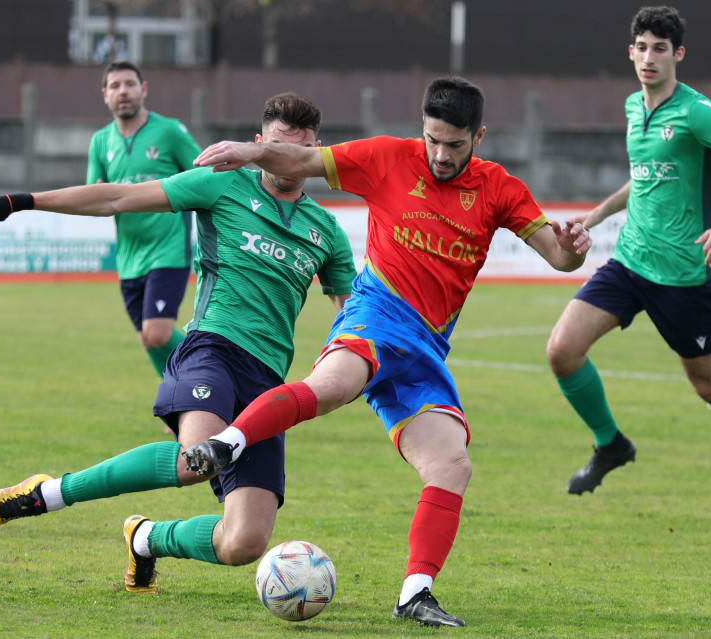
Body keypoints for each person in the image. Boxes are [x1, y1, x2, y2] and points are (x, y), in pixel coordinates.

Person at [181, 76, 592, 627]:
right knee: (331, 389)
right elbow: (300, 161)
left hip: (426, 348)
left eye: (455, 144)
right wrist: (251, 150)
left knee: (451, 464)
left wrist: (568, 252)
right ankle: (227, 444)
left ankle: (414, 594)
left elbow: (558, 259)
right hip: (375, 315)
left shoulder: (500, 189)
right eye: (432, 140)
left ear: (479, 137)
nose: (441, 155)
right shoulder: (387, 158)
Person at [0, 93, 356, 594]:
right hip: (212, 348)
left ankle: (147, 538)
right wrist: (25, 201)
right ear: (256, 146)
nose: (285, 161)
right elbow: (117, 198)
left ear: (314, 152)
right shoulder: (221, 187)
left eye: (298, 151)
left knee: (243, 543)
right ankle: (48, 492)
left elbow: (352, 318)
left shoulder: (326, 231)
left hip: (268, 386)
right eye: (275, 148)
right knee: (194, 458)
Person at [545, 6, 711, 524]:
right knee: (562, 351)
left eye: (660, 48)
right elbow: (645, 180)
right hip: (629, 262)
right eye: (642, 46)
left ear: (677, 54)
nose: (649, 57)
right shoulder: (635, 107)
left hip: (683, 276)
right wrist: (593, 216)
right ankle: (610, 445)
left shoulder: (697, 112)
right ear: (630, 51)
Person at [90, 60, 202, 378]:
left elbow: (203, 175)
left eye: (129, 84)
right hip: (128, 258)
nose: (122, 91)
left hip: (168, 248)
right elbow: (95, 194)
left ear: (144, 89)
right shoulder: (100, 141)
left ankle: (216, 376)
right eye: (115, 86)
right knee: (147, 339)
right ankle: (182, 406)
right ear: (105, 95)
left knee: (158, 334)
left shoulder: (169, 131)